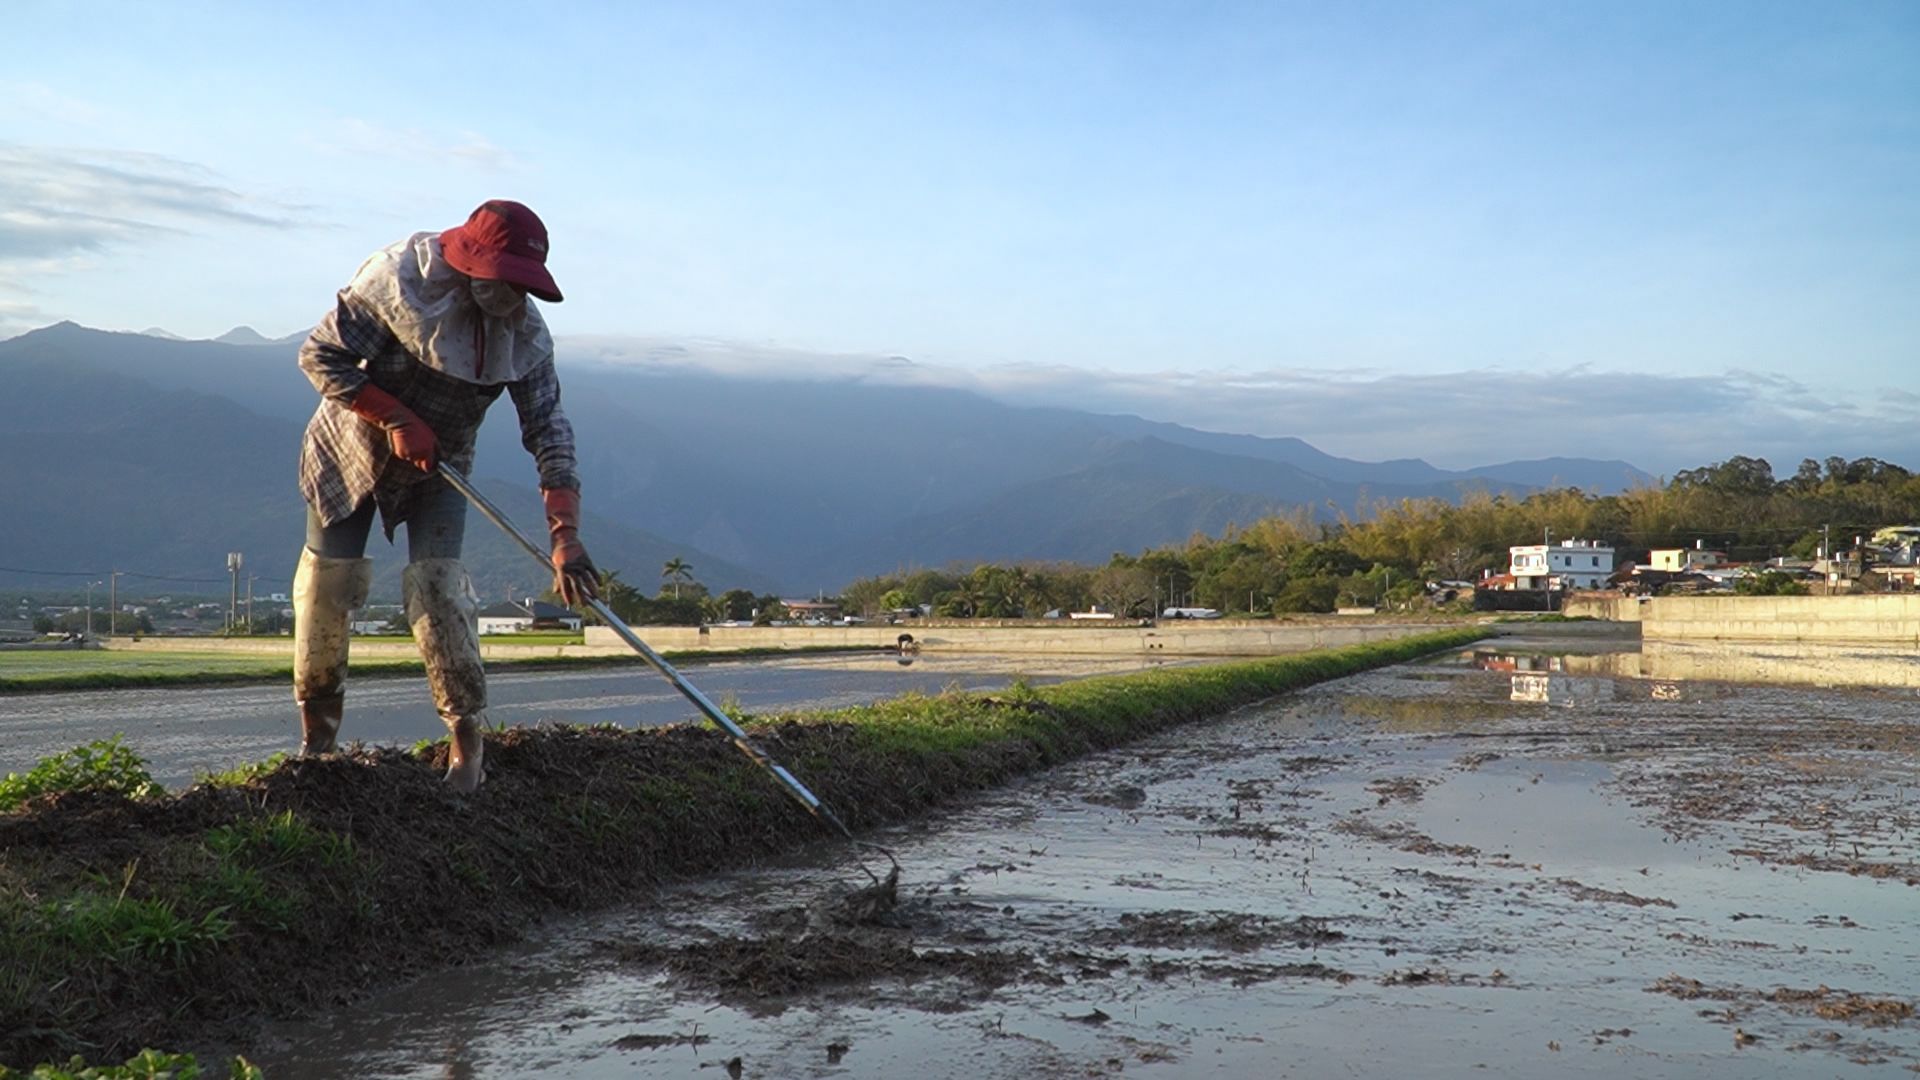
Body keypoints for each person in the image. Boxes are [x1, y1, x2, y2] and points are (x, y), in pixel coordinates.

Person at [291, 200, 599, 791]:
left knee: (441, 591)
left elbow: (549, 429)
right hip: (349, 448)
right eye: (500, 281)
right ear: (470, 265)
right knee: (327, 586)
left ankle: (466, 745)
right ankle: (318, 739)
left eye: (520, 286)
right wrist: (395, 417)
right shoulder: (397, 281)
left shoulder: (526, 337)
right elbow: (319, 356)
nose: (509, 297)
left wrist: (566, 535)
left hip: (442, 465)